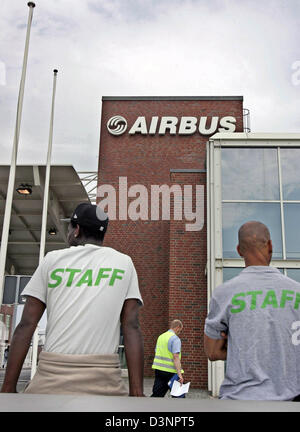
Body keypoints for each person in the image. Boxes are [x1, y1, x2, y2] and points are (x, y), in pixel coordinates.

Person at [1, 203, 144, 396]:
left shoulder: (52, 260)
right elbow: (131, 327)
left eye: (70, 227)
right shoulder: (124, 263)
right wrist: (137, 393)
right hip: (105, 382)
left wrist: (8, 387)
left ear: (76, 230)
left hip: (51, 381)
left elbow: (27, 324)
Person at [204, 220, 300, 400]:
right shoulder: (297, 291)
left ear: (239, 250)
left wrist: (240, 343)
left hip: (238, 400)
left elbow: (212, 351)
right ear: (270, 245)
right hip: (291, 402)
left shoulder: (224, 294)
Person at [151, 319, 184, 397]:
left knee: (157, 394)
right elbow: (176, 357)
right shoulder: (175, 339)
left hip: (159, 369)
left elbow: (157, 351)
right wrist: (180, 375)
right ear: (178, 327)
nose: (180, 332)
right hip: (171, 371)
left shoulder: (161, 337)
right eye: (180, 330)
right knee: (179, 395)